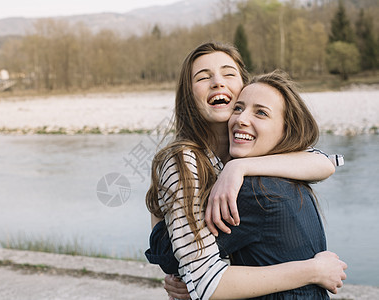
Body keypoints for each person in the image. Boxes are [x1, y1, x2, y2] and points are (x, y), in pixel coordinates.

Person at [145, 42, 346, 300]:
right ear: (188, 95)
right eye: (203, 77)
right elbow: (200, 275)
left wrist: (240, 166)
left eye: (228, 73)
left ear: (244, 86)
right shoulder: (185, 160)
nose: (217, 82)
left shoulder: (246, 152)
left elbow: (324, 162)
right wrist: (312, 270)